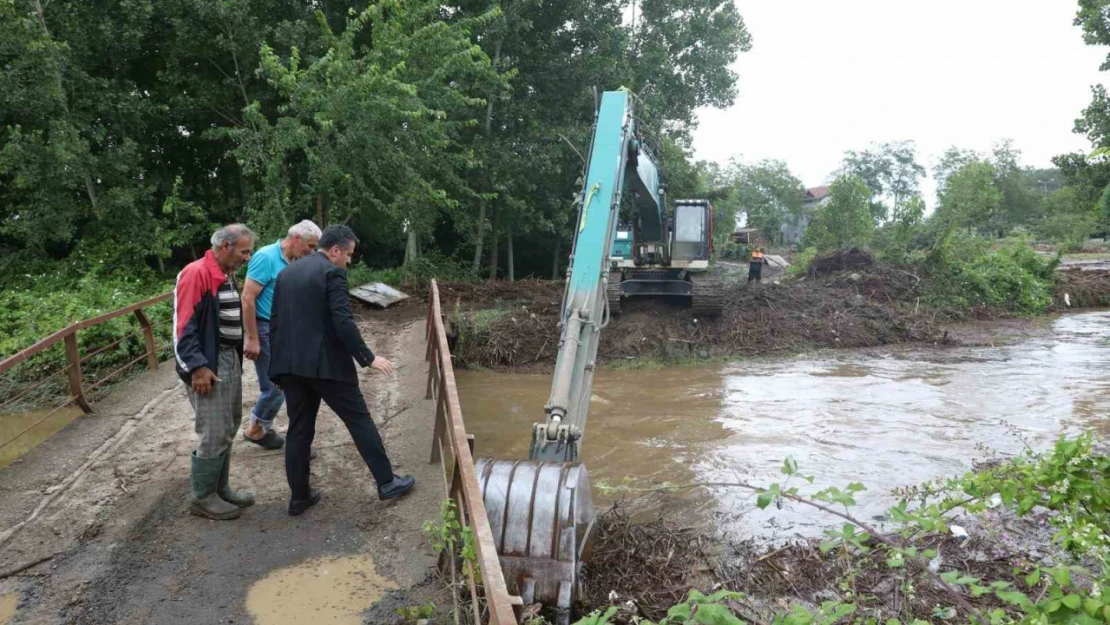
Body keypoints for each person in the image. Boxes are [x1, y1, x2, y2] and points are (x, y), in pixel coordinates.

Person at [268, 225, 416, 516]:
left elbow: (276, 322)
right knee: (359, 421)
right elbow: (342, 321)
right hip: (326, 365)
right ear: (334, 250)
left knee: (299, 430)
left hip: (291, 366)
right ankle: (387, 482)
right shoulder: (332, 273)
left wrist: (277, 368)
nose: (349, 261)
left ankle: (299, 497)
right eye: (348, 254)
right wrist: (368, 357)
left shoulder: (287, 272)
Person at [173, 224, 256, 520]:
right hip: (209, 363)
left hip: (227, 358)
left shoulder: (225, 273)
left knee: (229, 424)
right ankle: (203, 497)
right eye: (244, 251)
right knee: (213, 429)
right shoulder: (197, 274)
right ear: (225, 247)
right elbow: (183, 326)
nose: (247, 258)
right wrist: (197, 367)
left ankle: (221, 489)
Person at [241, 220, 322, 450]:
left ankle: (259, 428)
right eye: (310, 245)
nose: (312, 251)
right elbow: (247, 298)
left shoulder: (294, 261)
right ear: (296, 239)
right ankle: (255, 429)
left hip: (284, 330)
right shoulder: (266, 257)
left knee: (286, 383)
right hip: (265, 330)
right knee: (275, 386)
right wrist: (252, 337)